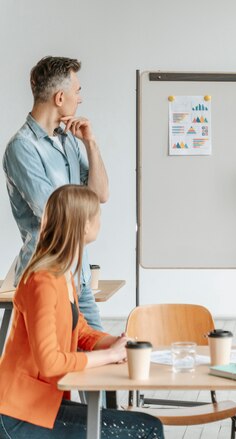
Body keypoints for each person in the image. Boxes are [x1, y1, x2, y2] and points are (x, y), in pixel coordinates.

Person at [0, 185, 163, 438]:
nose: (100, 219)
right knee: (147, 428)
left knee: (147, 423)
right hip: (18, 415)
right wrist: (109, 356)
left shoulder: (63, 273)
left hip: (40, 405)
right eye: (97, 214)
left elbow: (81, 329)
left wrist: (116, 343)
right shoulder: (42, 280)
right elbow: (50, 361)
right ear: (84, 225)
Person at [3, 56, 108, 330]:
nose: (80, 98)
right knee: (55, 367)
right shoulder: (22, 148)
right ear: (60, 97)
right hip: (46, 278)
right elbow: (53, 210)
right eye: (77, 91)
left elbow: (101, 194)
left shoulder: (69, 141)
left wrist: (91, 144)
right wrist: (91, 224)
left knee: (104, 356)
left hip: (79, 275)